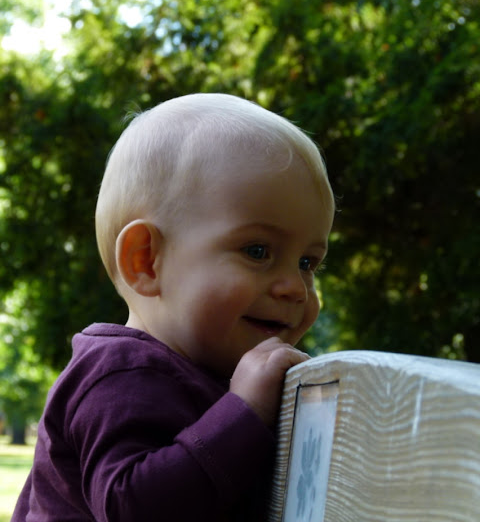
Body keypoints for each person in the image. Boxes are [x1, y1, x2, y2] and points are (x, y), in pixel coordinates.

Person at [13, 93, 335, 521]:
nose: (295, 287)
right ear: (146, 260)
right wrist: (244, 413)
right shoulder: (121, 374)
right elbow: (131, 508)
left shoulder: (214, 376)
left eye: (308, 263)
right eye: (257, 251)